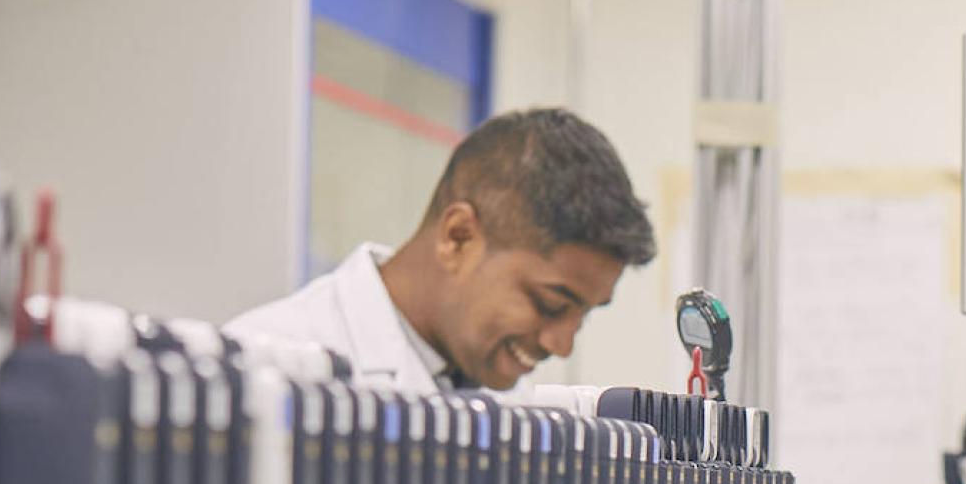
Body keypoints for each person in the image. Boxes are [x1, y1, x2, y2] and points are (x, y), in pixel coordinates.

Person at [226, 108, 656, 392]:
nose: (562, 345)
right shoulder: (260, 369)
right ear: (459, 237)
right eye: (550, 304)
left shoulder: (500, 386)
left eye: (585, 315)